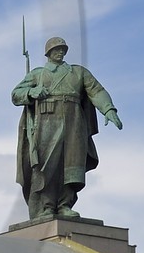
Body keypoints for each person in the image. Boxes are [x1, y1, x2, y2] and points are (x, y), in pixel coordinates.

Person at [12, 37, 121, 221]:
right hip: (47, 119)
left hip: (74, 120)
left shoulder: (78, 72)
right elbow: (16, 94)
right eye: (56, 49)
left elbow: (97, 91)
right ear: (48, 53)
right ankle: (47, 206)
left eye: (62, 49)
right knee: (47, 165)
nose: (60, 52)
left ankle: (64, 205)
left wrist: (108, 109)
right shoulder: (37, 74)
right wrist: (31, 92)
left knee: (72, 163)